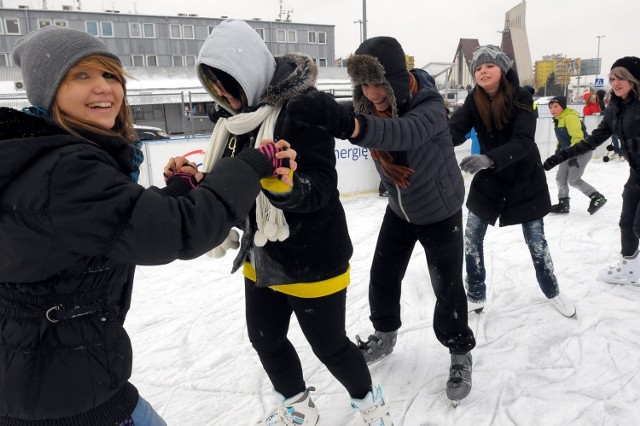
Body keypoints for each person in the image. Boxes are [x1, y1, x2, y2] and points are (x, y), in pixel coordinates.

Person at [0, 26, 296, 426]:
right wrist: (249, 167)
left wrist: (176, 188)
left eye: (109, 75)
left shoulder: (41, 154)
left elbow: (114, 219)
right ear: (47, 90)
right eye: (80, 75)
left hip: (38, 373)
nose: (104, 88)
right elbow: (175, 232)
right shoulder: (65, 167)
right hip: (65, 390)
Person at [195, 20, 392, 425]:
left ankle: (371, 405)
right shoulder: (234, 122)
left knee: (330, 346)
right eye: (214, 84)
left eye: (227, 81)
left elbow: (320, 186)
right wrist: (197, 183)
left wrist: (285, 188)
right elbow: (231, 180)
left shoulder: (301, 109)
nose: (222, 93)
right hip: (262, 253)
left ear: (249, 69)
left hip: (312, 256)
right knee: (265, 339)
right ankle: (298, 407)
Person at [287, 36, 476, 404]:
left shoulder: (430, 105)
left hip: (440, 211)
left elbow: (404, 131)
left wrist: (351, 126)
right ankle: (385, 335)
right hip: (401, 210)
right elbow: (355, 119)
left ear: (396, 79)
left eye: (379, 84)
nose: (373, 94)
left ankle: (459, 351)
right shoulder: (369, 106)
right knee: (383, 276)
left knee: (447, 288)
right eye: (365, 85)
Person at [447, 45, 576, 319]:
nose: (483, 72)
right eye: (478, 69)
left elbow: (523, 141)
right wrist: (435, 142)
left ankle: (552, 290)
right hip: (490, 182)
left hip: (524, 180)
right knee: (471, 238)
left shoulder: (520, 97)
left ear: (503, 69)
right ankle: (476, 294)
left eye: (489, 66)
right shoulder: (474, 100)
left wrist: (488, 159)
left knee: (537, 242)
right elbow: (455, 129)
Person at [543, 56, 640, 285]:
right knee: (626, 223)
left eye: (622, 78)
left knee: (638, 225)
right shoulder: (615, 109)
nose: (616, 83)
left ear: (634, 80)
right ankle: (631, 267)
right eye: (612, 78)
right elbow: (593, 140)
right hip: (636, 174)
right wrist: (561, 156)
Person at [547, 95, 607, 214]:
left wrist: (572, 156)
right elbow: (562, 139)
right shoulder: (558, 119)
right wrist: (558, 153)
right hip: (568, 152)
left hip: (581, 151)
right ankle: (563, 203)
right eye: (550, 107)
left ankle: (596, 196)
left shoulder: (570, 118)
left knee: (573, 180)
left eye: (555, 106)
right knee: (560, 178)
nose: (552, 109)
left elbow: (577, 138)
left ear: (563, 107)